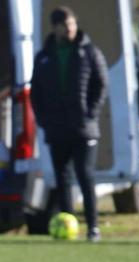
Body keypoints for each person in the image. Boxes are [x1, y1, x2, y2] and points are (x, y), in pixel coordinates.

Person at [31, 6, 108, 242]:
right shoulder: (44, 56)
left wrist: (90, 114)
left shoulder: (89, 52)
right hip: (56, 128)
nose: (71, 29)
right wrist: (44, 120)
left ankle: (93, 226)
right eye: (66, 25)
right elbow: (36, 93)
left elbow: (101, 85)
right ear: (55, 28)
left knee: (85, 175)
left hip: (83, 128)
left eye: (73, 24)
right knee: (62, 178)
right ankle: (67, 223)